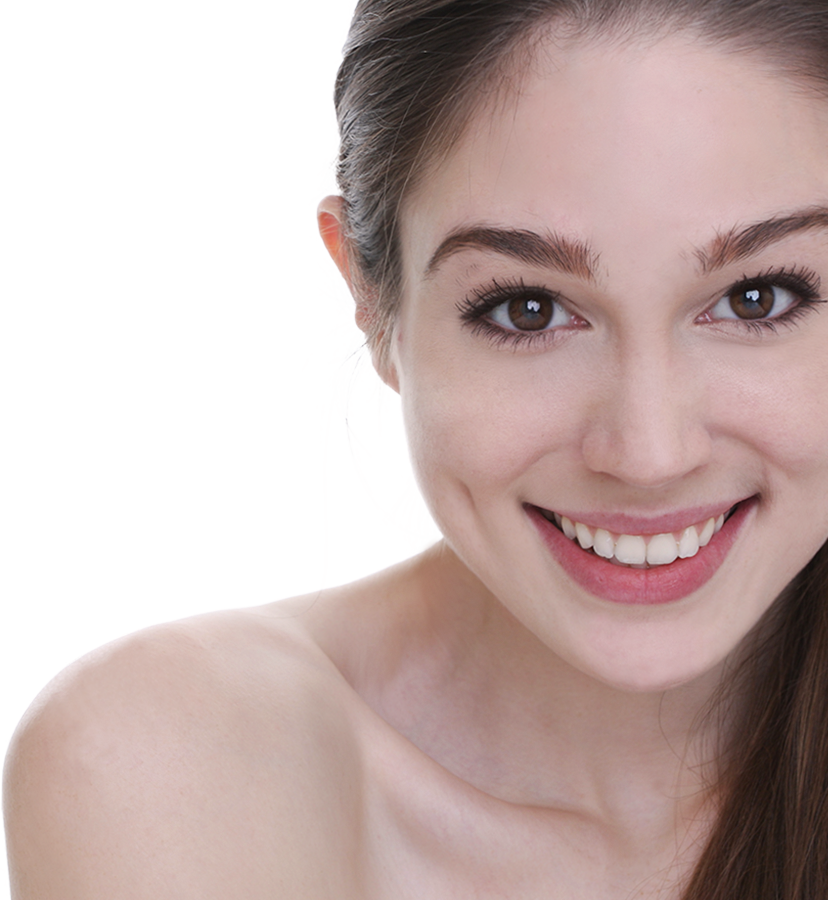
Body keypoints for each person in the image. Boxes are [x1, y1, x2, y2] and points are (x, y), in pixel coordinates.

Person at [6, 0, 828, 896]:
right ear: (371, 300)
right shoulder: (176, 766)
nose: (648, 453)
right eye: (528, 310)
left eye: (758, 298)